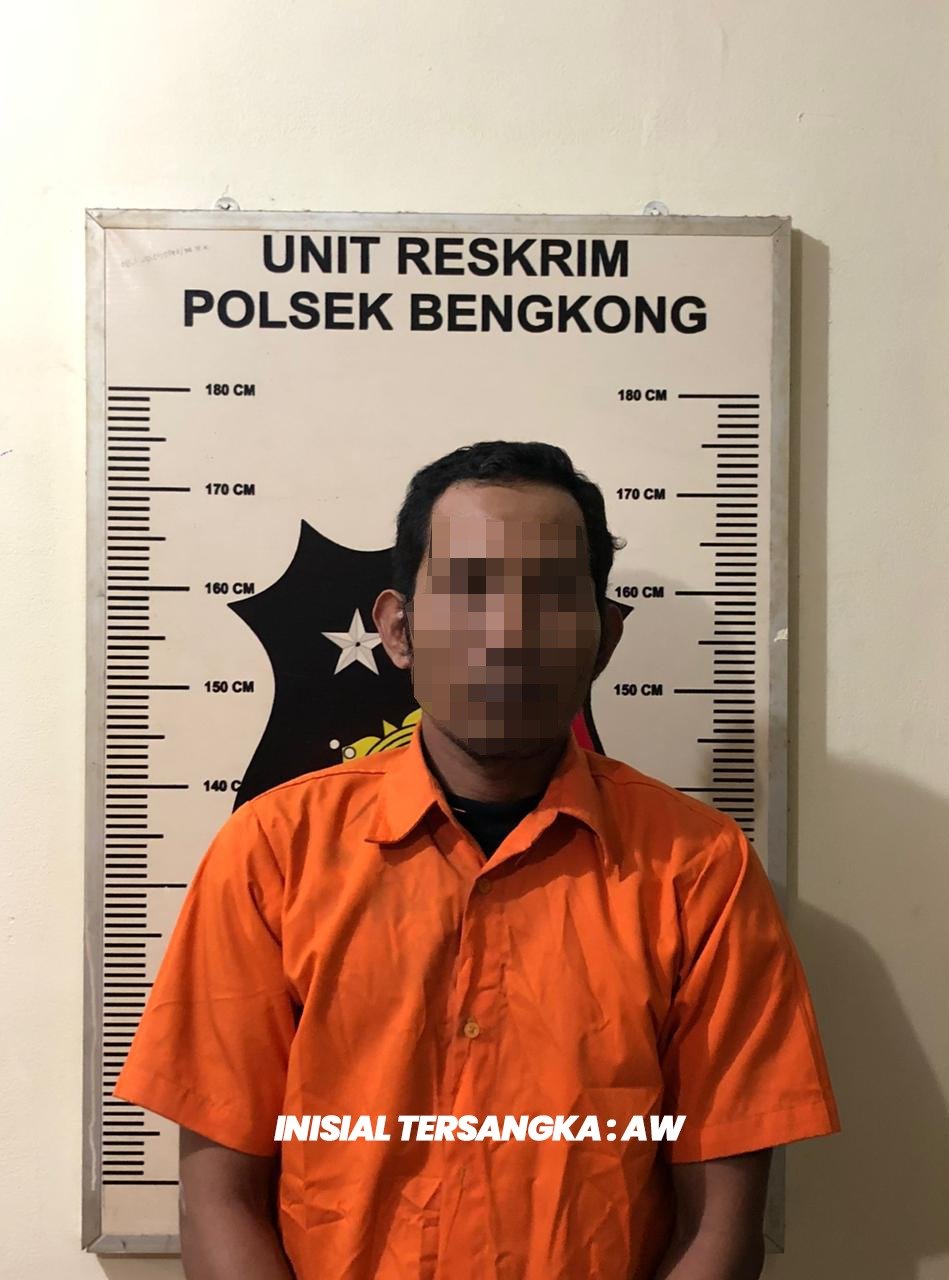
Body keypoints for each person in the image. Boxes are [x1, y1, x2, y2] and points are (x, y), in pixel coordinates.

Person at [113, 440, 840, 1279]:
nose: (507, 633)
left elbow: (720, 1226)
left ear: (604, 638)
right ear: (398, 629)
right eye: (469, 588)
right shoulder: (273, 851)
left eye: (551, 594)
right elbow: (218, 1200)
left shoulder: (699, 869)